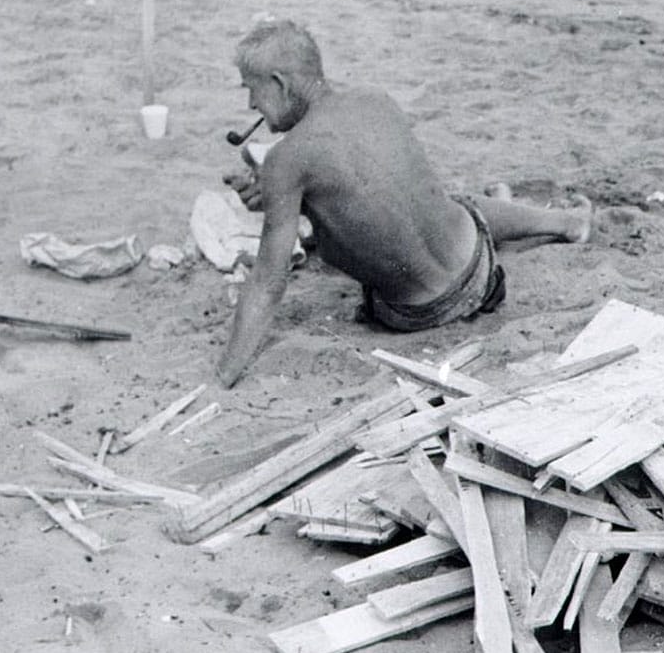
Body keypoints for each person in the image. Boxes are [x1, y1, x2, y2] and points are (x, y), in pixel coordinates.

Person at [215, 19, 592, 388]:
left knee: (323, 237)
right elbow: (378, 196)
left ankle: (535, 221)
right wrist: (277, 197)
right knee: (449, 207)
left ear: (280, 84)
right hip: (481, 269)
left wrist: (225, 374)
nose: (251, 104)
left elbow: (268, 283)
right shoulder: (375, 100)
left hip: (418, 314)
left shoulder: (286, 159)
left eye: (252, 90)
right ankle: (566, 222)